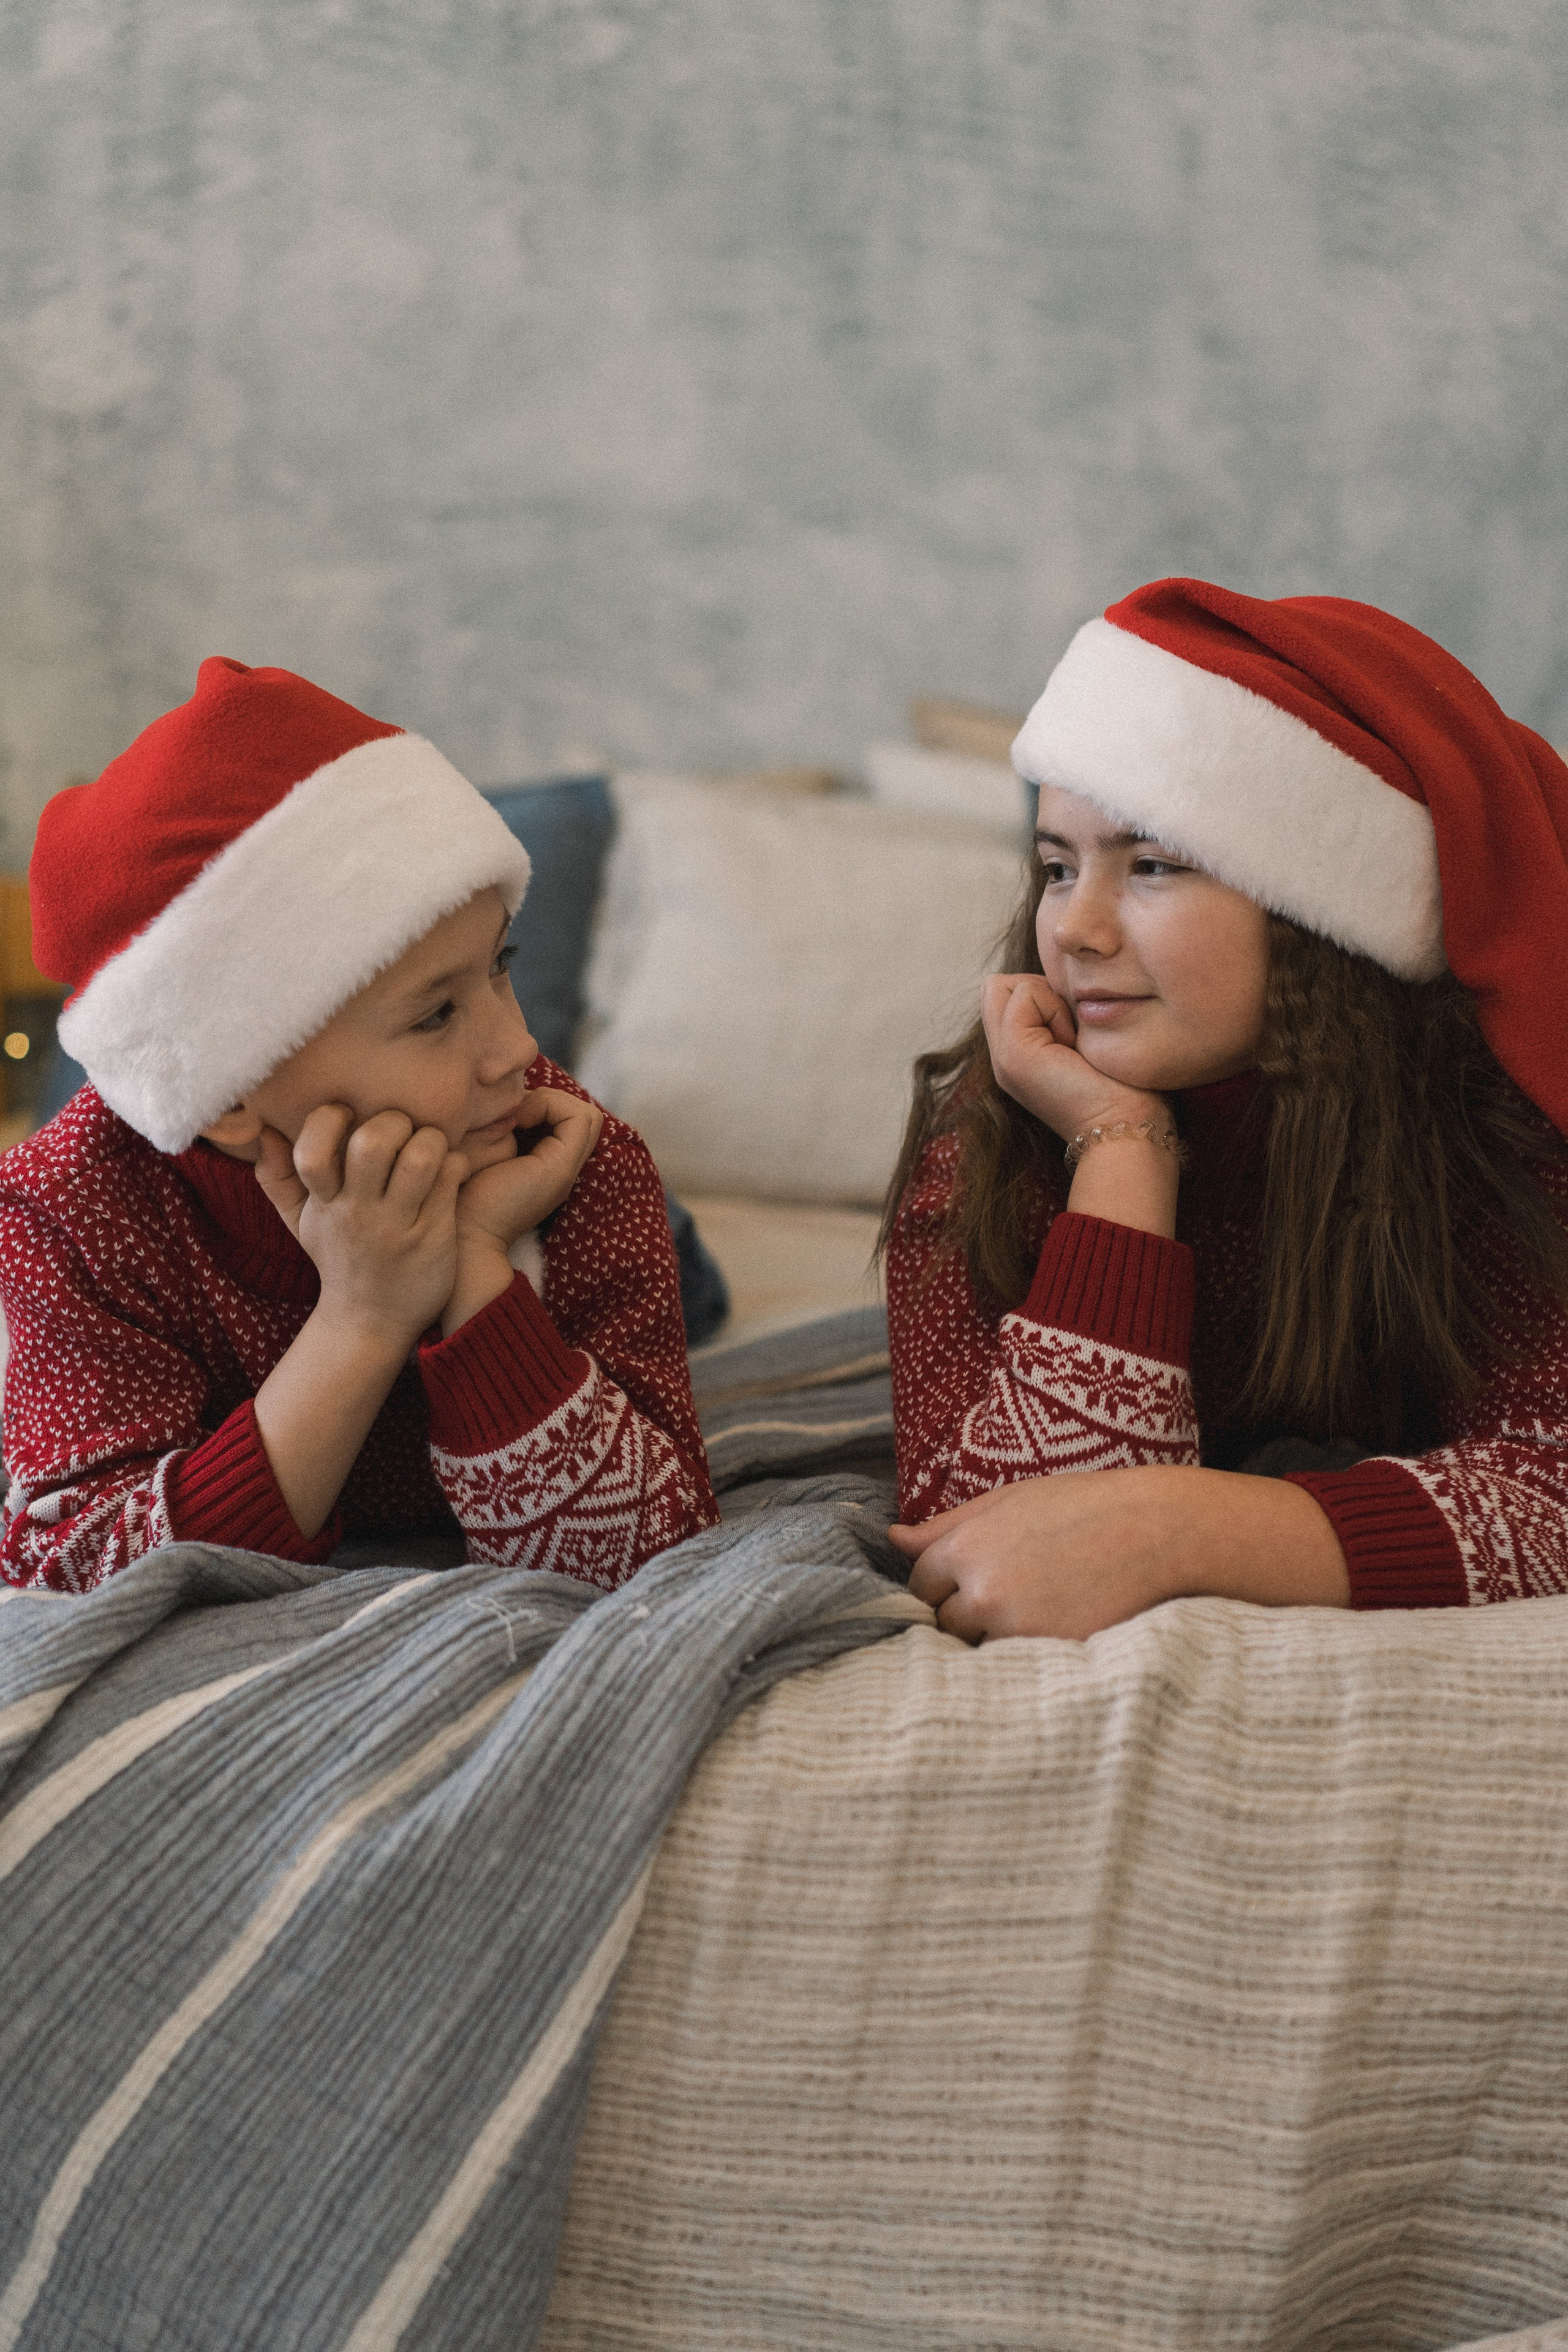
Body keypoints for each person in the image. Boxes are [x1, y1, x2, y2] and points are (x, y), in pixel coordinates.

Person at [881, 578, 1568, 1643]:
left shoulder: (1487, 1131)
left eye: (1152, 865)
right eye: (1057, 869)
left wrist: (1192, 1527)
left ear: (1320, 918)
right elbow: (986, 1542)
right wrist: (1122, 1148)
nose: (1076, 931)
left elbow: (1554, 1483)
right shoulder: (998, 1121)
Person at [0, 657, 718, 1593]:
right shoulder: (66, 1212)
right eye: (434, 1014)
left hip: (595, 1212)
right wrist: (363, 1315)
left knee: (683, 1269)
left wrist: (472, 1263)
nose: (516, 1046)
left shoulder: (567, 1150)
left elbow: (643, 1558)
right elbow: (71, 1577)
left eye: (499, 965)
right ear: (229, 1097)